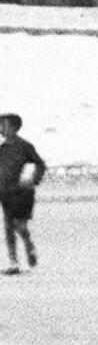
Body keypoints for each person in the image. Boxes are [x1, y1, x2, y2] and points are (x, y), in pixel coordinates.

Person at [0, 114, 45, 274]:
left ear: (13, 127)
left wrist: (33, 179)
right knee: (8, 226)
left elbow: (40, 164)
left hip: (22, 193)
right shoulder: (2, 148)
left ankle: (28, 244)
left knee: (19, 225)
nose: (0, 129)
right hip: (4, 193)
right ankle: (14, 263)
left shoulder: (25, 146)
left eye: (3, 125)